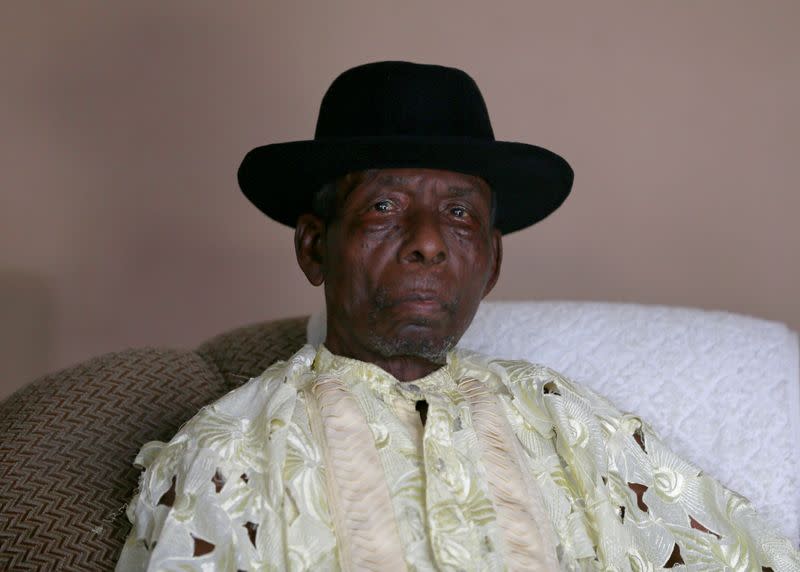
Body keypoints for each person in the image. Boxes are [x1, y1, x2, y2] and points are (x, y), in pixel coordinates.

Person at [117, 61, 799, 571]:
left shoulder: (564, 415)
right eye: (383, 207)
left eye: (459, 214)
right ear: (314, 246)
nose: (428, 240)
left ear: (492, 264)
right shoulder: (228, 450)